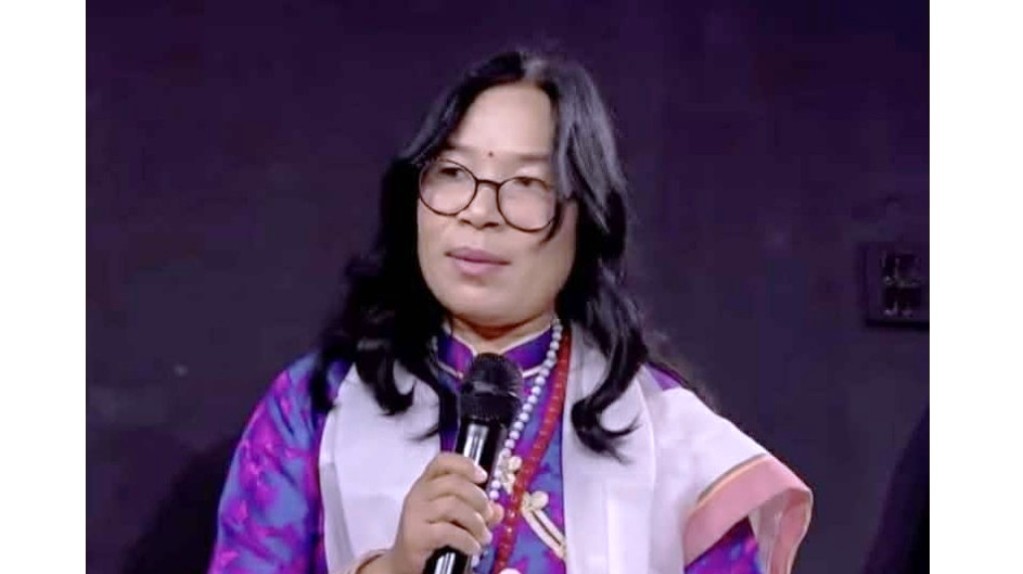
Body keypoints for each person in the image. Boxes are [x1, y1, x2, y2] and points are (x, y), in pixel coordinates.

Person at [208, 49, 812, 574]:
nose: (478, 211)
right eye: (452, 172)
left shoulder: (673, 442)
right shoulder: (315, 408)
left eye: (526, 185)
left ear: (586, 219)